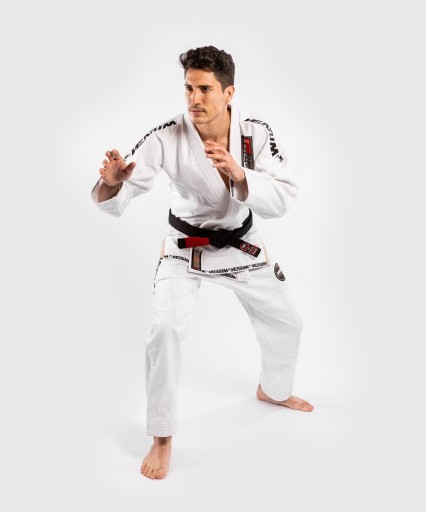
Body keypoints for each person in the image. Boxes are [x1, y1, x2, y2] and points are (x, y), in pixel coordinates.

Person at [91, 45, 313, 480]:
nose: (194, 98)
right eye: (188, 88)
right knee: (165, 330)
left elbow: (284, 196)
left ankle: (273, 390)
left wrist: (241, 175)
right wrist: (113, 183)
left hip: (241, 244)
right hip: (185, 246)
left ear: (228, 92)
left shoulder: (255, 133)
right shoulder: (166, 136)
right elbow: (126, 188)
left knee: (289, 322)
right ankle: (162, 436)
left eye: (205, 89)